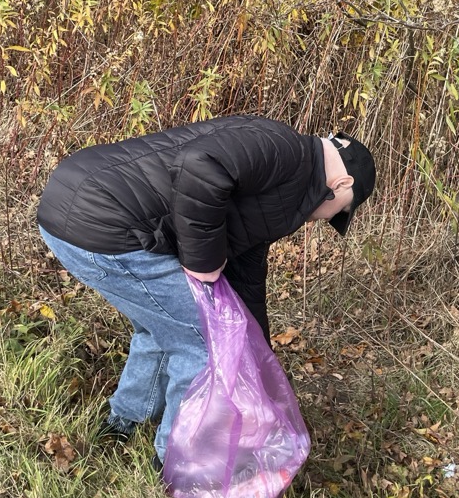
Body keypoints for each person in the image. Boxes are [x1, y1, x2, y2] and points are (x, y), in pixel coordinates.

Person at [36, 115, 376, 467]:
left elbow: (247, 275)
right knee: (205, 343)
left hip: (72, 206)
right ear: (342, 183)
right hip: (101, 221)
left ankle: (125, 420)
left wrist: (260, 357)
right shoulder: (286, 151)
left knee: (165, 325)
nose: (324, 219)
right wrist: (203, 260)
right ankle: (175, 460)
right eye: (339, 211)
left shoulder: (288, 179)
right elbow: (200, 164)